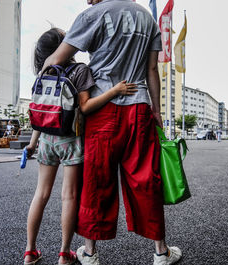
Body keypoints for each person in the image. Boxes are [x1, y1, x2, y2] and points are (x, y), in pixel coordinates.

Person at [41, 1, 182, 264]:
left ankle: (90, 253)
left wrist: (43, 67)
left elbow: (57, 59)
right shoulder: (147, 19)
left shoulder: (93, 15)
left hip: (101, 109)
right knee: (145, 179)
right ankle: (161, 252)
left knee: (97, 179)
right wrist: (157, 111)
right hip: (139, 107)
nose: (87, 0)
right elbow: (152, 69)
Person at [23, 28, 137, 265]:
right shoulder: (80, 70)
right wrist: (115, 90)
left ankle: (30, 251)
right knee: (69, 195)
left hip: (45, 140)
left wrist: (32, 144)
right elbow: (85, 107)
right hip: (71, 140)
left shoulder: (45, 71)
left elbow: (42, 111)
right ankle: (65, 254)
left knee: (41, 194)